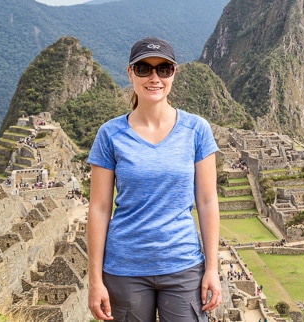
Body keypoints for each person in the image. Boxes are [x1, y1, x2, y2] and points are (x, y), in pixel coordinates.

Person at [87, 37, 222, 321]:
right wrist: (94, 279)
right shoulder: (110, 134)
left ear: (173, 73)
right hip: (125, 269)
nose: (154, 77)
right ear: (130, 73)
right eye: (144, 69)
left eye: (163, 69)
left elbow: (208, 201)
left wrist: (212, 268)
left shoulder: (196, 130)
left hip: (183, 265)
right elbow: (99, 209)